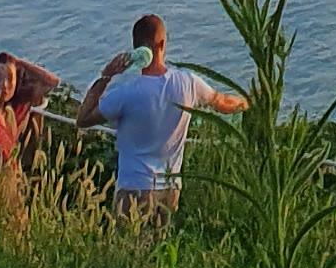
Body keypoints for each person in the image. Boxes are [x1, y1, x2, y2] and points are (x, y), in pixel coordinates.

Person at [80, 12, 244, 217]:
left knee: (129, 238)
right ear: (163, 44)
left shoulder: (126, 93)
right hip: (170, 189)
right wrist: (250, 101)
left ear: (136, 50)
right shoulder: (188, 83)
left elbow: (83, 119)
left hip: (133, 187)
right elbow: (223, 103)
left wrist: (106, 76)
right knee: (162, 238)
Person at [0, 50, 61, 205]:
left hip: (11, 191)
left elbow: (52, 82)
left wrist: (19, 63)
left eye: (10, 78)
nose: (4, 85)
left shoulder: (14, 110)